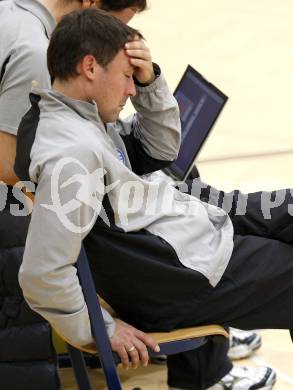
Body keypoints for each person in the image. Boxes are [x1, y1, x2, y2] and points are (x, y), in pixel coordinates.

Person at [16, 8, 293, 390]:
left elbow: (162, 150)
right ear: (90, 67)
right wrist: (102, 329)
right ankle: (207, 374)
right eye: (127, 77)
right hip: (179, 277)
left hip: (181, 246)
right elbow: (41, 273)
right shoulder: (72, 156)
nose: (131, 90)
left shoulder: (72, 118)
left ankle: (203, 376)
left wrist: (150, 85)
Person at [0, 1, 147, 389]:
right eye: (112, 26)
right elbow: (5, 165)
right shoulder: (33, 49)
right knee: (35, 243)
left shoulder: (11, 11)